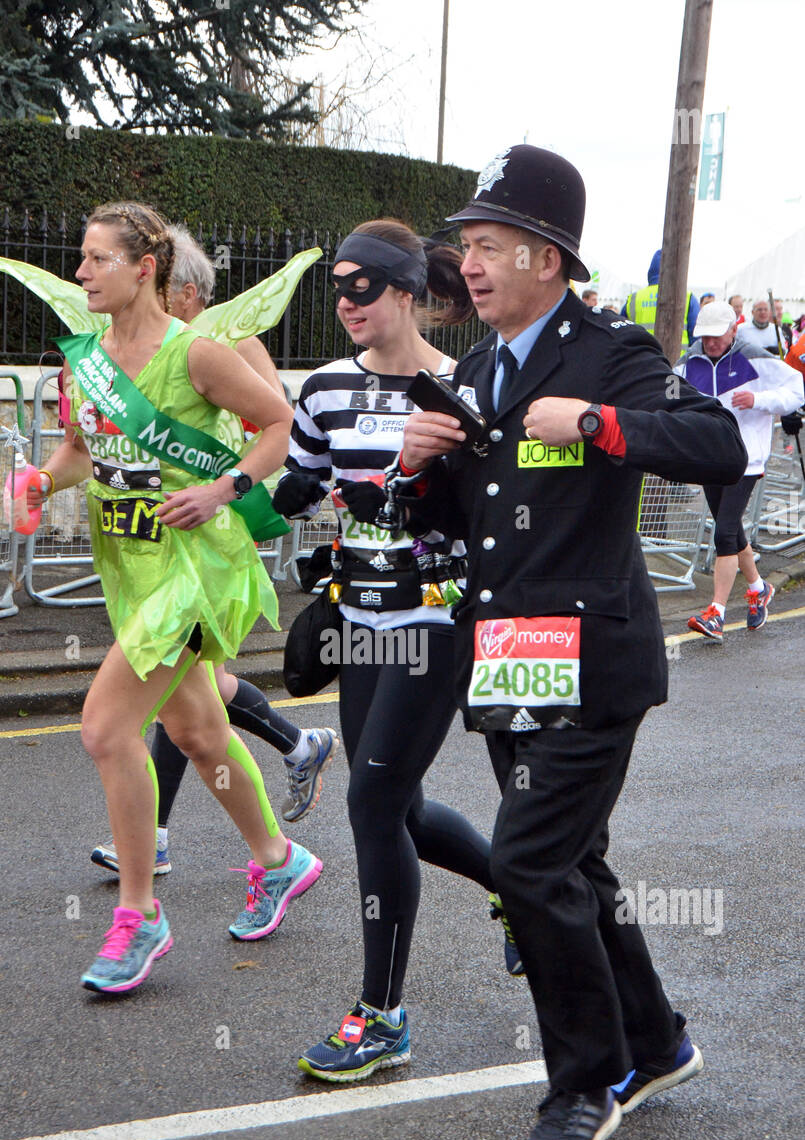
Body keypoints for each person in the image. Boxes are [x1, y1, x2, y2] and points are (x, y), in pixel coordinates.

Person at [400, 144, 748, 1140]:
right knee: (573, 861)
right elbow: (476, 519)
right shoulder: (476, 368)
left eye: (491, 244)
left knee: (530, 861)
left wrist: (597, 423)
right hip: (512, 653)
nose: (469, 262)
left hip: (595, 655)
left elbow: (716, 442)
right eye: (465, 245)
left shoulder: (608, 351)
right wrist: (425, 469)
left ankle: (585, 1084)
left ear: (548, 258)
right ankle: (655, 1041)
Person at [27, 201, 322, 992]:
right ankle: (278, 859)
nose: (81, 272)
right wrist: (41, 479)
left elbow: (276, 423)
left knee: (104, 728)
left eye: (96, 259)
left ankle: (138, 915)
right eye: (81, 259)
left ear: (143, 268)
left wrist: (224, 490)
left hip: (193, 570)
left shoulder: (196, 355)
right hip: (128, 566)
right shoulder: (82, 359)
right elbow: (79, 455)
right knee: (196, 731)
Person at [270, 218, 505, 1084]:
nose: (345, 302)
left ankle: (382, 1016)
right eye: (337, 286)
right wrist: (235, 493)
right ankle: (512, 887)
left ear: (405, 292)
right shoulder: (326, 388)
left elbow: (483, 507)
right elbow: (295, 483)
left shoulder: (463, 387)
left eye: (361, 285)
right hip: (357, 623)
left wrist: (387, 488)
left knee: (370, 802)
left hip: (436, 626)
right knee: (396, 810)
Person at [90, 225, 337, 880]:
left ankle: (146, 878)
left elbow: (277, 421)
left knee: (122, 718)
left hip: (214, 533)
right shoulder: (116, 353)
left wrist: (218, 474)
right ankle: (280, 820)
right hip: (147, 547)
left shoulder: (224, 343)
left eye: (166, 290)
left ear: (187, 293)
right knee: (196, 715)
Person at [675, 300, 803, 639]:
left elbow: (796, 390)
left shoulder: (755, 357)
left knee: (723, 533)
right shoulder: (689, 362)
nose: (711, 343)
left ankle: (715, 613)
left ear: (734, 329)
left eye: (717, 336)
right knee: (730, 531)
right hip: (709, 458)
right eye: (705, 337)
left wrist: (758, 401)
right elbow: (666, 395)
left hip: (745, 460)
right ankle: (759, 588)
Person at [624, 249, 699, 349]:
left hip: (641, 361)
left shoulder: (634, 299)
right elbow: (696, 337)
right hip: (677, 362)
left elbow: (621, 334)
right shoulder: (688, 298)